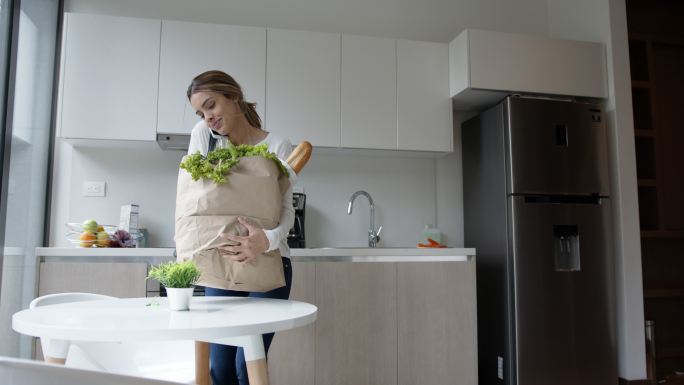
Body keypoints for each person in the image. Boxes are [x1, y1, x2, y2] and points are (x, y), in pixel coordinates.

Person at [186, 70, 295, 385]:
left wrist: (267, 240)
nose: (208, 117)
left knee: (247, 367)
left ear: (233, 96)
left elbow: (287, 211)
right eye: (201, 112)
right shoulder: (203, 138)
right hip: (222, 264)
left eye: (212, 106)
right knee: (219, 371)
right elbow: (196, 199)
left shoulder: (278, 145)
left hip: (270, 263)